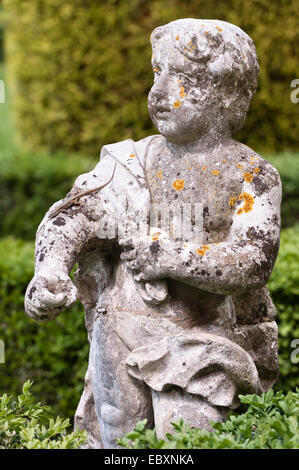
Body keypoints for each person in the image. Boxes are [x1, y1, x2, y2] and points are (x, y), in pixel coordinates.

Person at [25, 19, 281, 449]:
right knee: (117, 437)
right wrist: (50, 268)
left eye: (180, 78)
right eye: (156, 72)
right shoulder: (131, 162)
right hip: (118, 332)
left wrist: (171, 257)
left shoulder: (250, 175)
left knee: (190, 432)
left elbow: (253, 261)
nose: (159, 93)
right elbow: (78, 215)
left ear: (228, 93)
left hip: (201, 343)